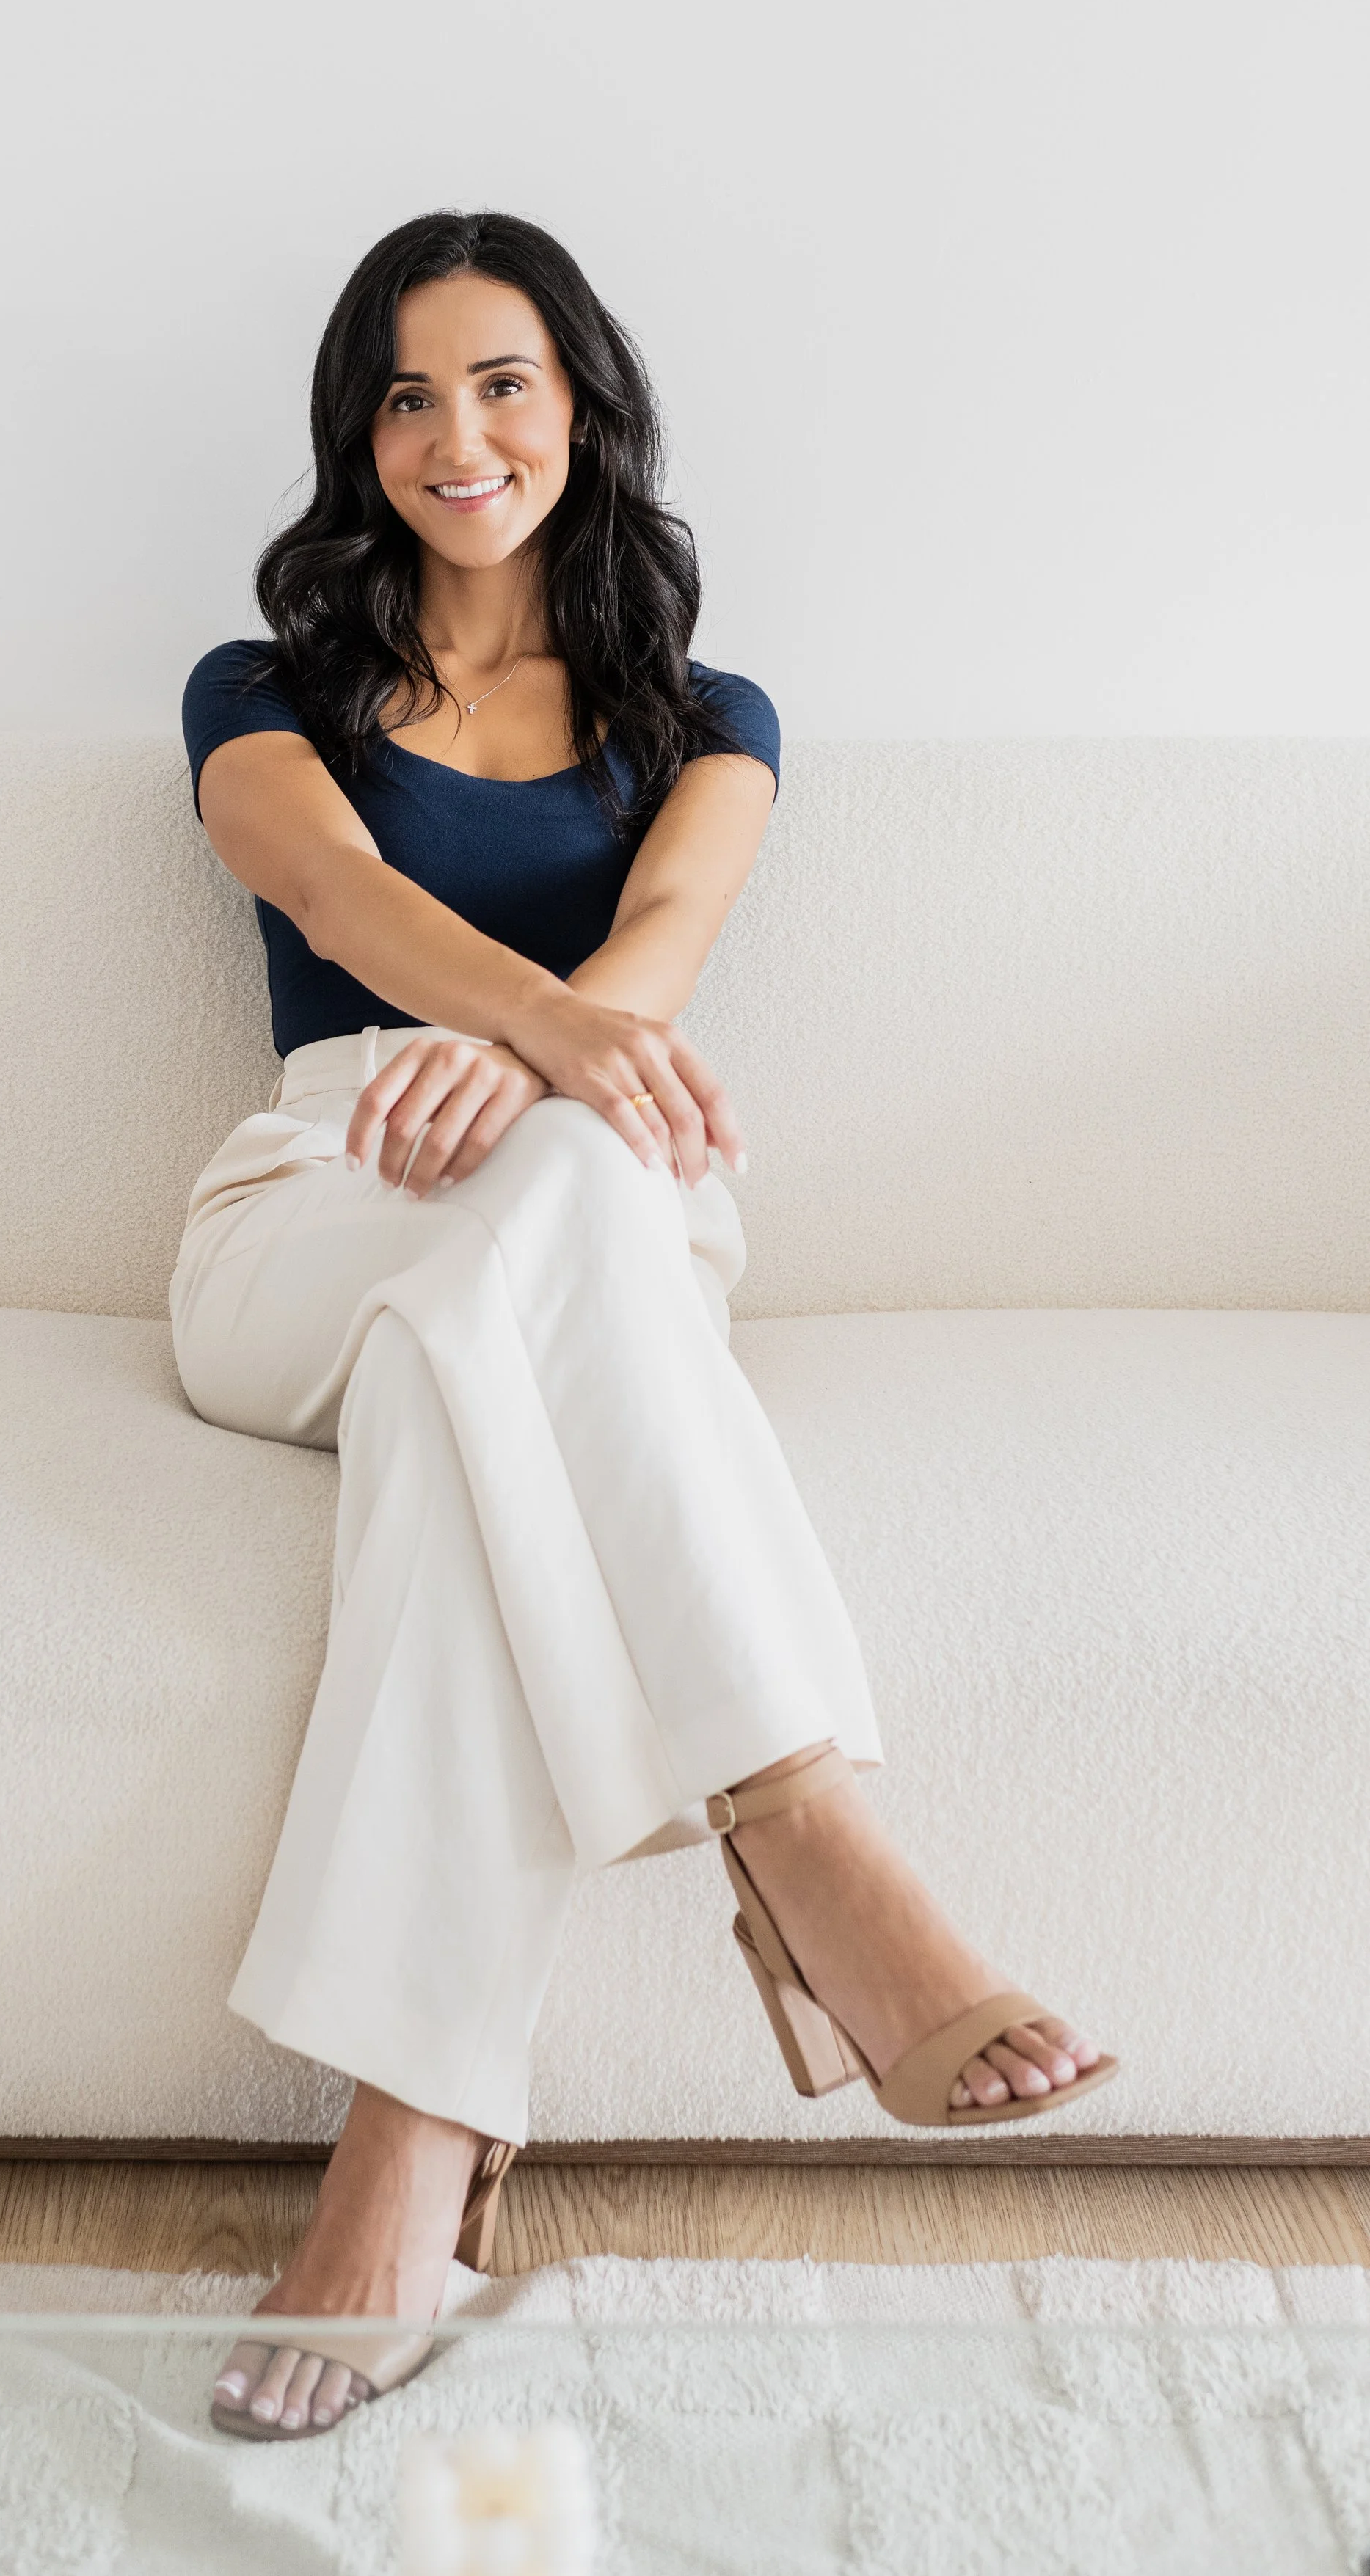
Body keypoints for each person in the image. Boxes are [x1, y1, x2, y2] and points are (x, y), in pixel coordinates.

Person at [175, 210, 1115, 2442]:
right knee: (525, 1219)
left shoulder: (708, 718)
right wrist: (536, 1038)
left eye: (500, 381)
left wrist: (545, 1067)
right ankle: (798, 1823)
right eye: (406, 395)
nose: (457, 434)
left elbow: (669, 933)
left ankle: (407, 2151)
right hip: (321, 1193)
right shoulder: (259, 687)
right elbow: (335, 891)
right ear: (359, 438)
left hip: (594, 1194)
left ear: (581, 407)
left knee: (483, 1361)